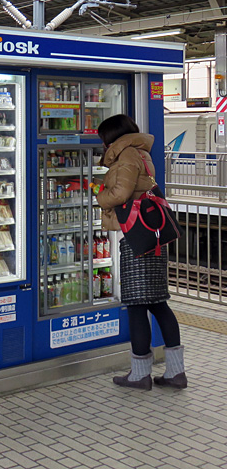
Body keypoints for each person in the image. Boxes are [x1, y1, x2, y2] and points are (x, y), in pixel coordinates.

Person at [96, 114, 187, 390]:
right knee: (158, 303)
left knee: (136, 306)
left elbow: (121, 194)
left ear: (111, 137)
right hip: (152, 236)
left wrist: (99, 197)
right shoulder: (141, 153)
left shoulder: (125, 156)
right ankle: (176, 372)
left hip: (136, 238)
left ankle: (139, 374)